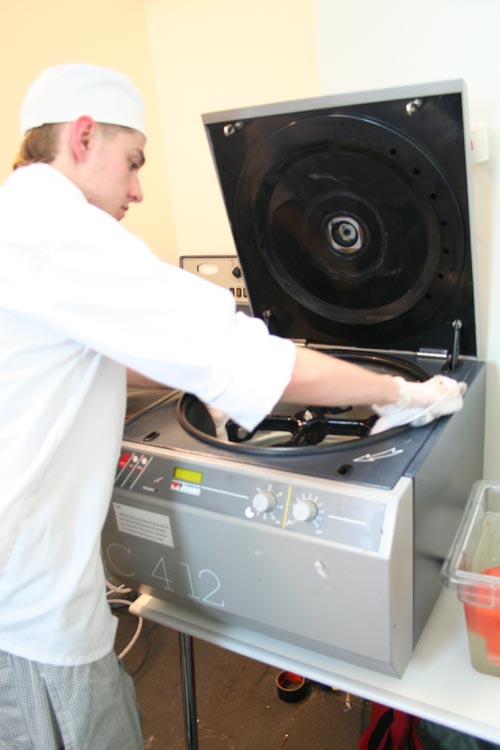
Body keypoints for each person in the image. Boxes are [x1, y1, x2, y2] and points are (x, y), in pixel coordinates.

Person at [0, 63, 466, 750]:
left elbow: (86, 358)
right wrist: (405, 392)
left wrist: (195, 374)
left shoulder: (18, 219)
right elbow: (251, 362)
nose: (137, 189)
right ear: (84, 135)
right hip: (28, 613)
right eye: (132, 162)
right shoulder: (57, 231)